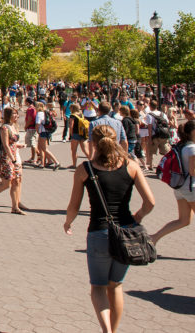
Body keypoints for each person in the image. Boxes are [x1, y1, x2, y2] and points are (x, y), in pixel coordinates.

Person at [63, 125, 155, 333]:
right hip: (126, 233)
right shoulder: (131, 166)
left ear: (93, 144)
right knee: (116, 285)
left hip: (99, 232)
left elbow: (74, 205)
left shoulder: (85, 169)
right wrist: (136, 218)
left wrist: (68, 222)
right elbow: (150, 202)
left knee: (98, 286)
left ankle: (107, 331)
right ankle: (113, 329)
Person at [150, 120, 195, 244]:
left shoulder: (182, 146)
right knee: (183, 220)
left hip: (180, 189)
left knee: (183, 220)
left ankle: (154, 238)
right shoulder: (193, 149)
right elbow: (193, 171)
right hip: (191, 189)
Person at [0, 107, 28, 214]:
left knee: (16, 181)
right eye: (14, 114)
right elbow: (5, 144)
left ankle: (15, 206)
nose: (17, 116)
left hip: (15, 156)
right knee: (6, 183)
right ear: (8, 115)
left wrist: (18, 145)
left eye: (17, 114)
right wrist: (12, 158)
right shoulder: (4, 128)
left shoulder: (14, 126)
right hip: (6, 158)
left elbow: (12, 143)